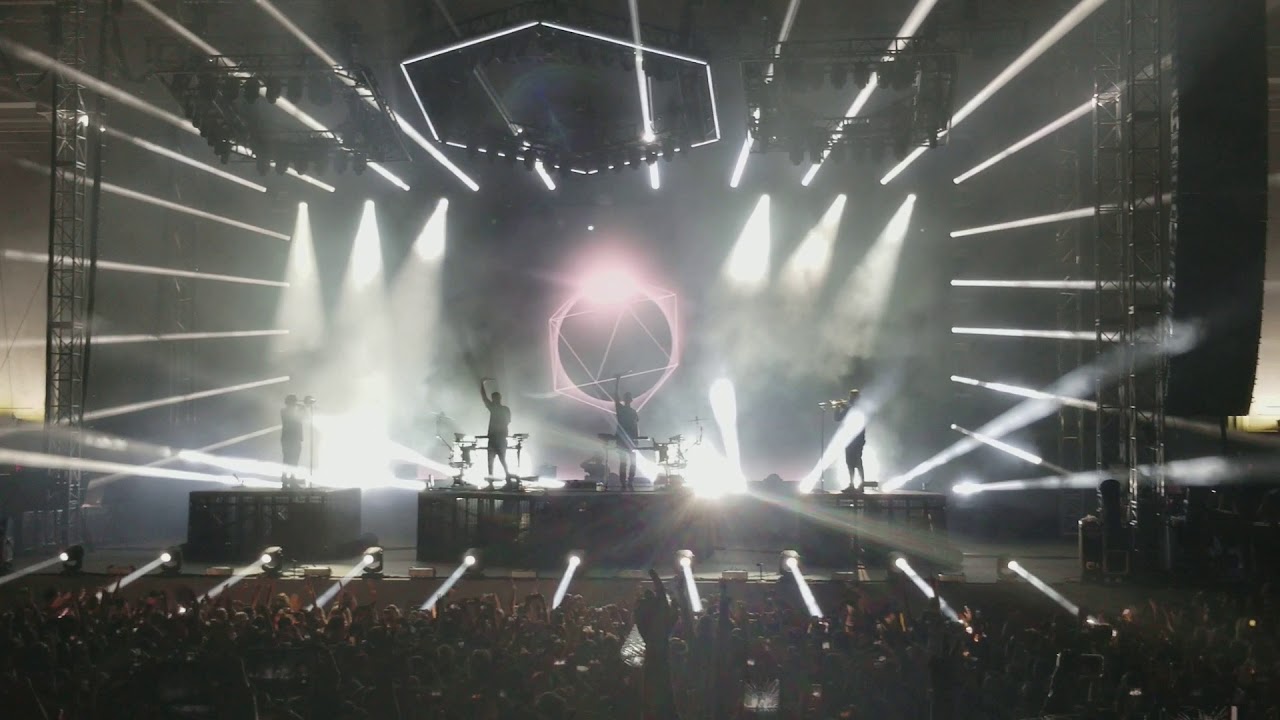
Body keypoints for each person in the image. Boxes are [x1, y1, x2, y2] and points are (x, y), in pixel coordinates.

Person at [480, 377, 513, 484]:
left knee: (492, 461)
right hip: (500, 438)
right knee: (502, 460)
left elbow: (484, 398)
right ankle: (507, 480)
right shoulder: (505, 409)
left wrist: (481, 384)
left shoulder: (494, 408)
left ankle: (493, 484)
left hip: (495, 438)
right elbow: (508, 421)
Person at [834, 389, 867, 493]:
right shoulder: (849, 408)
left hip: (857, 439)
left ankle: (861, 484)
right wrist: (837, 407)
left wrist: (841, 406)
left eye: (852, 397)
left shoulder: (860, 408)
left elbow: (843, 416)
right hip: (849, 439)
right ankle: (852, 484)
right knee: (849, 462)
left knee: (857, 462)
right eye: (850, 397)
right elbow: (838, 418)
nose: (850, 399)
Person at [613, 376, 640, 491]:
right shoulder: (623, 409)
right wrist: (617, 381)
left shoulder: (630, 411)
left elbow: (635, 426)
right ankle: (626, 483)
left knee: (627, 462)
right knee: (625, 462)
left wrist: (636, 439)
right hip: (625, 439)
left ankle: (627, 482)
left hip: (628, 439)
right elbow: (615, 396)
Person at [280, 395, 306, 485]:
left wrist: (301, 408)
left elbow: (302, 417)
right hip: (290, 438)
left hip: (293, 438)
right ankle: (287, 478)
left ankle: (291, 478)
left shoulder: (290, 411)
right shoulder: (285, 411)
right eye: (294, 401)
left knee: (293, 459)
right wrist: (301, 407)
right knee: (289, 459)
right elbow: (297, 418)